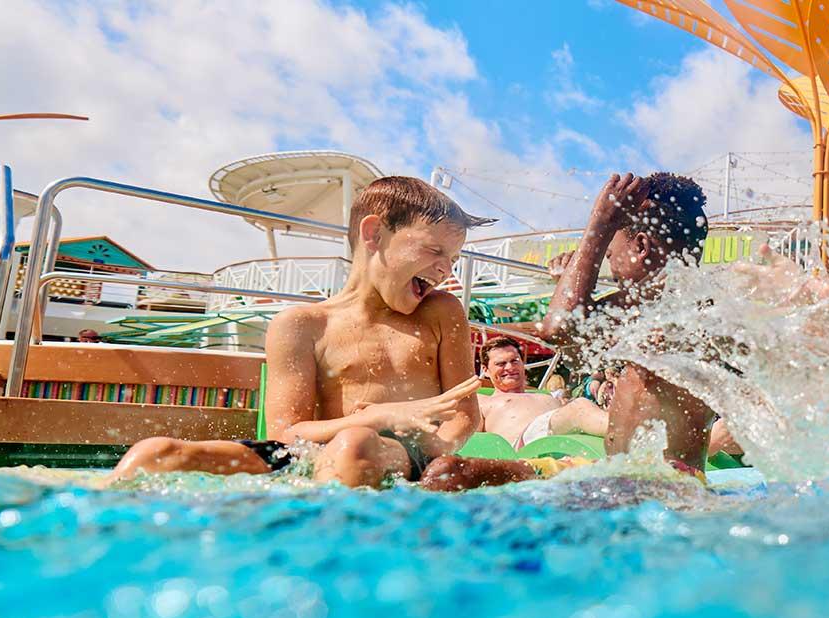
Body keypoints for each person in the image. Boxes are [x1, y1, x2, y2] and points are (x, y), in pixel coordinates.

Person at [111, 177, 494, 487]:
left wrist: (432, 444)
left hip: (403, 454)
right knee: (155, 454)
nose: (447, 269)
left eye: (454, 258)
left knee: (354, 443)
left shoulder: (441, 312)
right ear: (374, 234)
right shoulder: (301, 325)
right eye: (435, 250)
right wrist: (379, 417)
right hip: (312, 454)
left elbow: (464, 415)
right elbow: (288, 432)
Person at [423, 172, 714, 488]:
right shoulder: (670, 301)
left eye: (611, 255)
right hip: (618, 468)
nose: (610, 267)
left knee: (449, 478)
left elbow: (559, 328)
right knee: (450, 472)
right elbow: (570, 336)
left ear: (641, 246)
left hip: (665, 477)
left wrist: (599, 228)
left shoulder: (675, 304)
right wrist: (572, 276)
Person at [475, 337, 610, 448]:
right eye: (501, 364)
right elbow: (467, 439)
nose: (510, 367)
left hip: (562, 438)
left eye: (515, 361)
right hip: (525, 446)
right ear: (485, 370)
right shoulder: (482, 400)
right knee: (580, 407)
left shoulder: (545, 395)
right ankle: (627, 432)